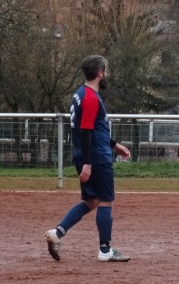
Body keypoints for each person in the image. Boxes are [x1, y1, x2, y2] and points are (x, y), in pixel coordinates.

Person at [44, 55, 131, 262]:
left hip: (87, 153)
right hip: (96, 157)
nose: (106, 74)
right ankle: (105, 251)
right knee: (106, 201)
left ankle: (58, 233)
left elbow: (93, 129)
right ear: (100, 73)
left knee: (91, 200)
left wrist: (114, 144)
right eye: (105, 70)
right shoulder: (91, 98)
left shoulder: (80, 94)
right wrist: (89, 164)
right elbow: (86, 131)